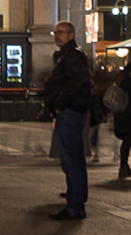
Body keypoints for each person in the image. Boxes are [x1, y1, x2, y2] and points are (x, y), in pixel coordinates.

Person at [39, 20, 94, 219]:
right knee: (75, 158)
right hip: (71, 110)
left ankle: (75, 206)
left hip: (70, 111)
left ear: (71, 34)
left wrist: (60, 103)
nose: (57, 36)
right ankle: (77, 196)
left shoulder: (73, 56)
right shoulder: (67, 55)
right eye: (55, 32)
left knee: (71, 160)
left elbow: (75, 83)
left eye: (61, 32)